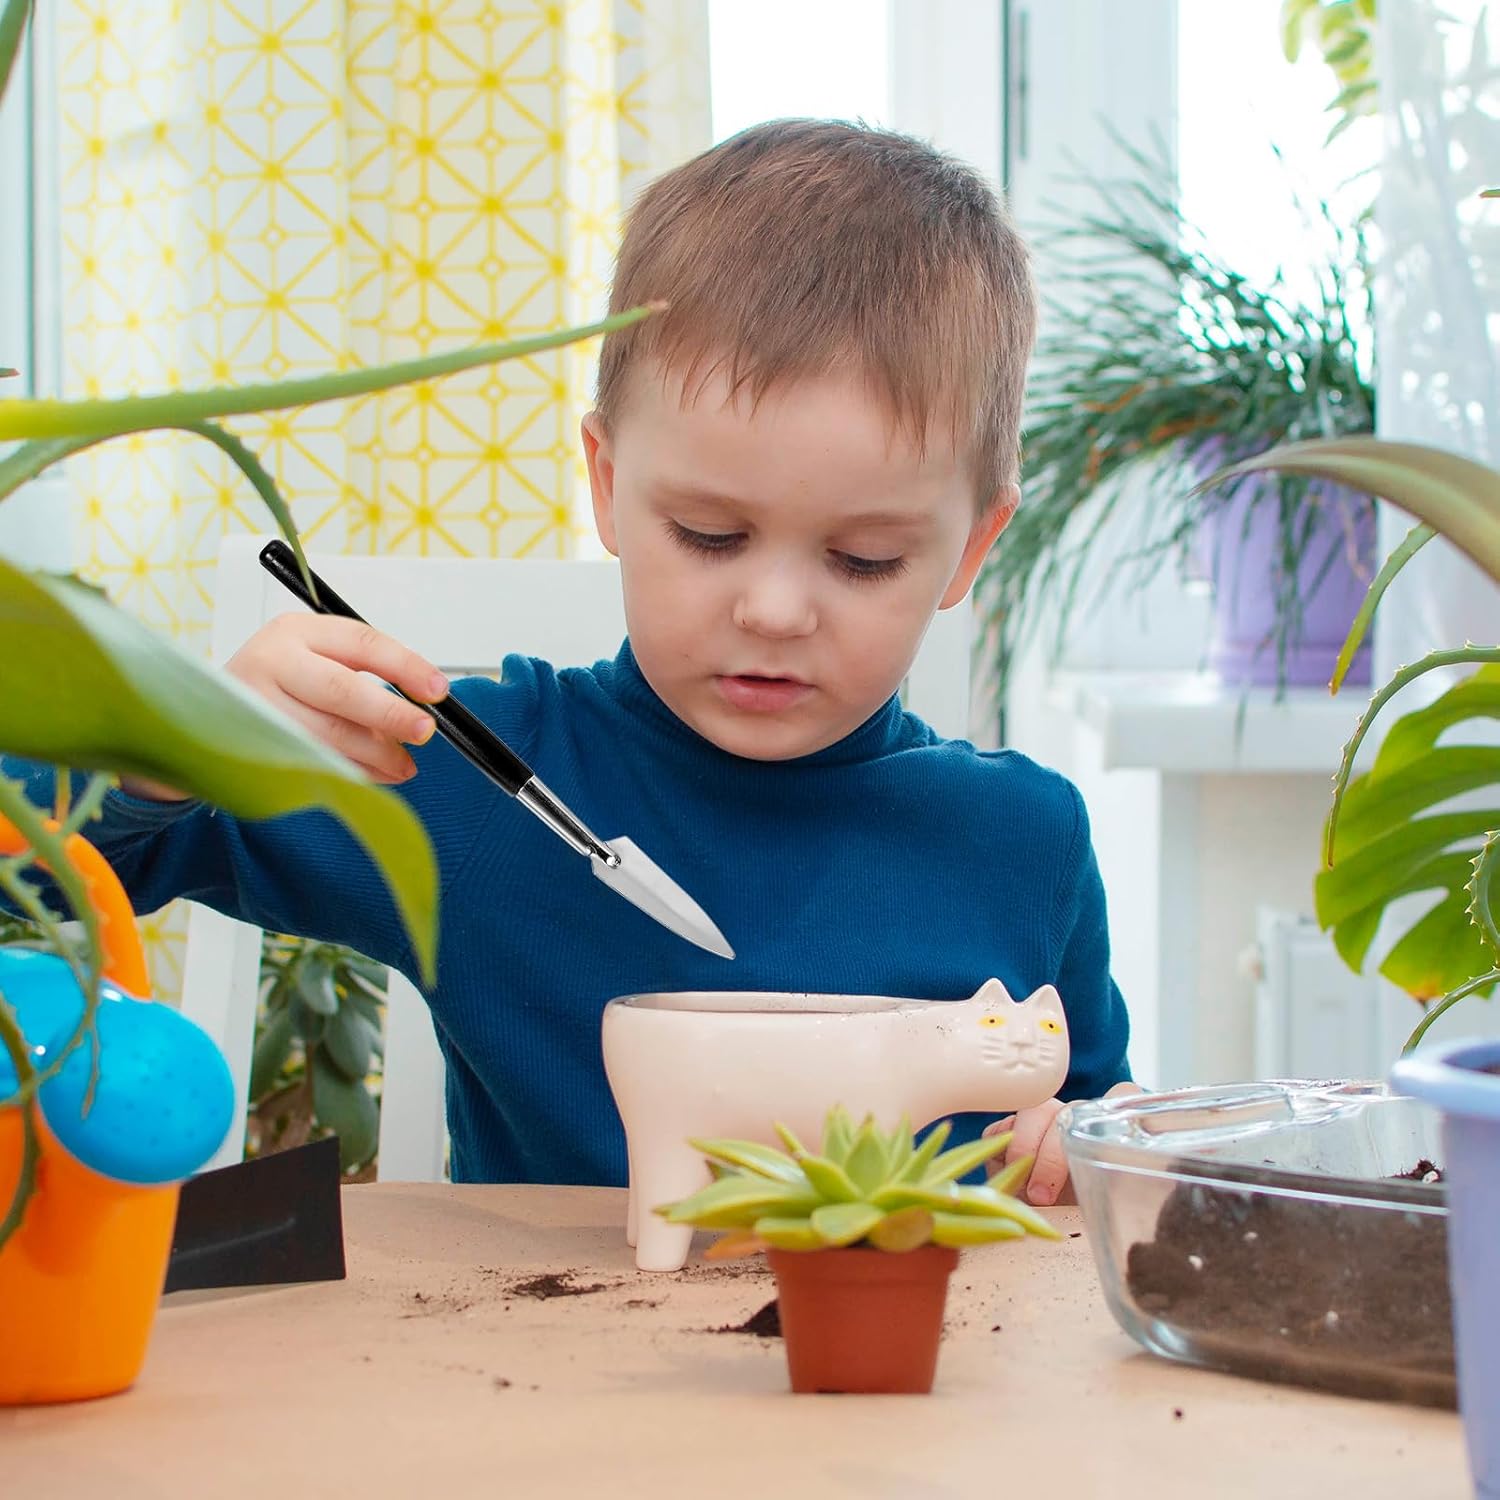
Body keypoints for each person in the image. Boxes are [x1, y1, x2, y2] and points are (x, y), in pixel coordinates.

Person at [5, 120, 1136, 1203]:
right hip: (541, 1387)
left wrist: (1078, 1145)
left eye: (864, 557)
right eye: (709, 535)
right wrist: (177, 744)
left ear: (972, 547)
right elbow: (40, 879)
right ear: (604, 483)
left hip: (902, 1386)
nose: (777, 609)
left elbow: (1086, 1135)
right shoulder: (454, 775)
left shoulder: (1024, 840)